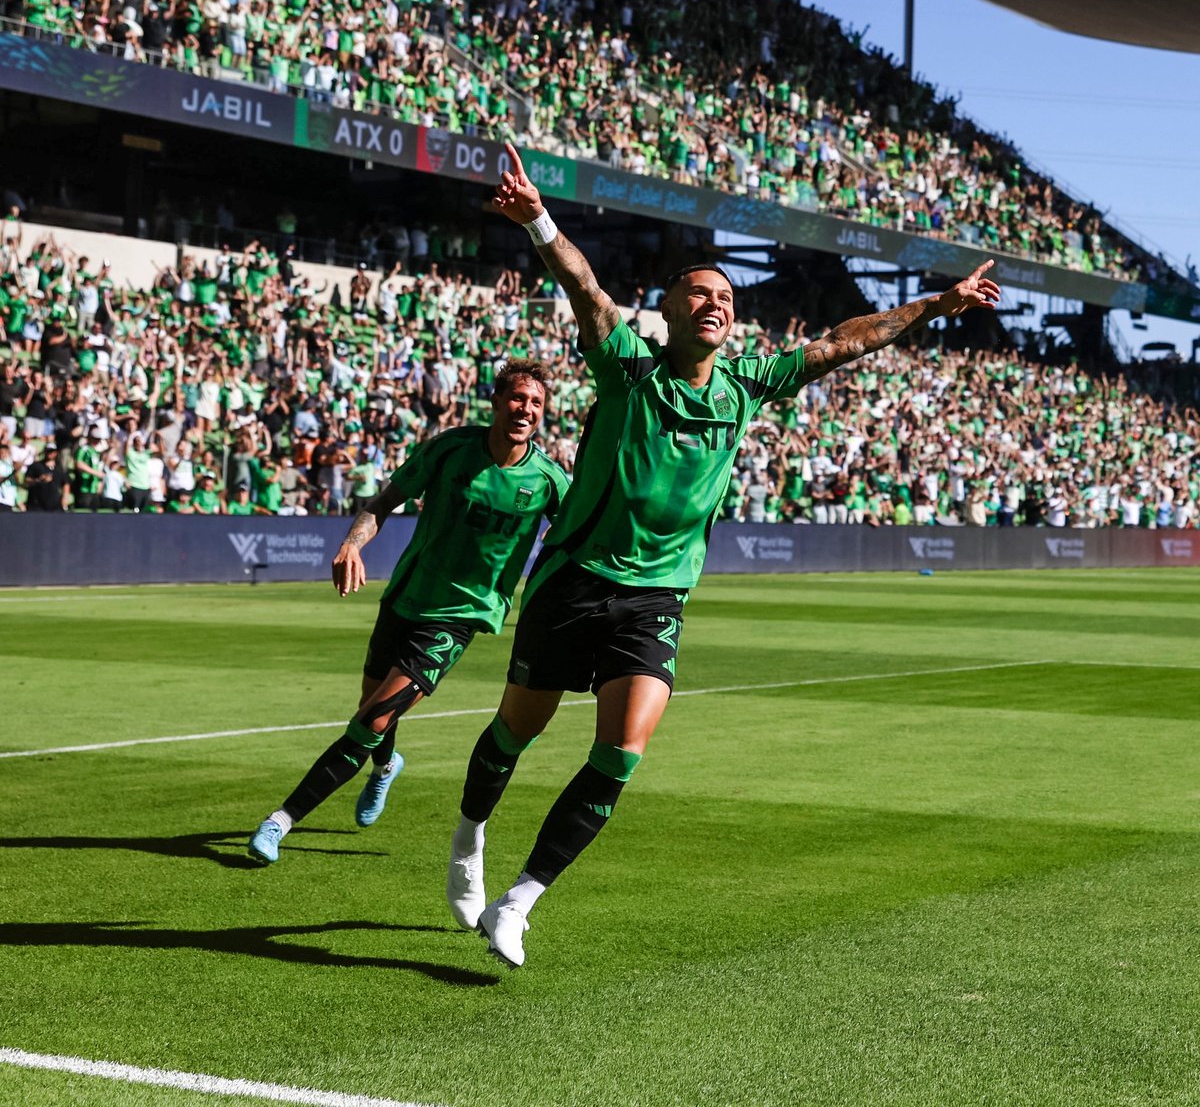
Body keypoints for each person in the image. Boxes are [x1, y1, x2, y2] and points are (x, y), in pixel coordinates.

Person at [448, 143, 1001, 967]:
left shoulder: (745, 385)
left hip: (654, 598)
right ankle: (467, 841)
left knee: (621, 753)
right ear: (667, 310)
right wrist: (538, 220)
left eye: (725, 297)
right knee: (515, 731)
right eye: (697, 292)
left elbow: (845, 341)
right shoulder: (628, 368)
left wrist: (935, 304)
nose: (714, 303)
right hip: (575, 580)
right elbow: (585, 290)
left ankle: (520, 900)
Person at [247, 359, 570, 865]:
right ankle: (384, 768)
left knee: (373, 718)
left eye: (535, 403)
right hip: (406, 597)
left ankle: (278, 821)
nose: (525, 409)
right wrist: (352, 545)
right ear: (496, 402)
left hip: (463, 614)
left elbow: (575, 538)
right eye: (517, 399)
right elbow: (383, 502)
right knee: (370, 706)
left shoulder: (549, 479)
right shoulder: (449, 450)